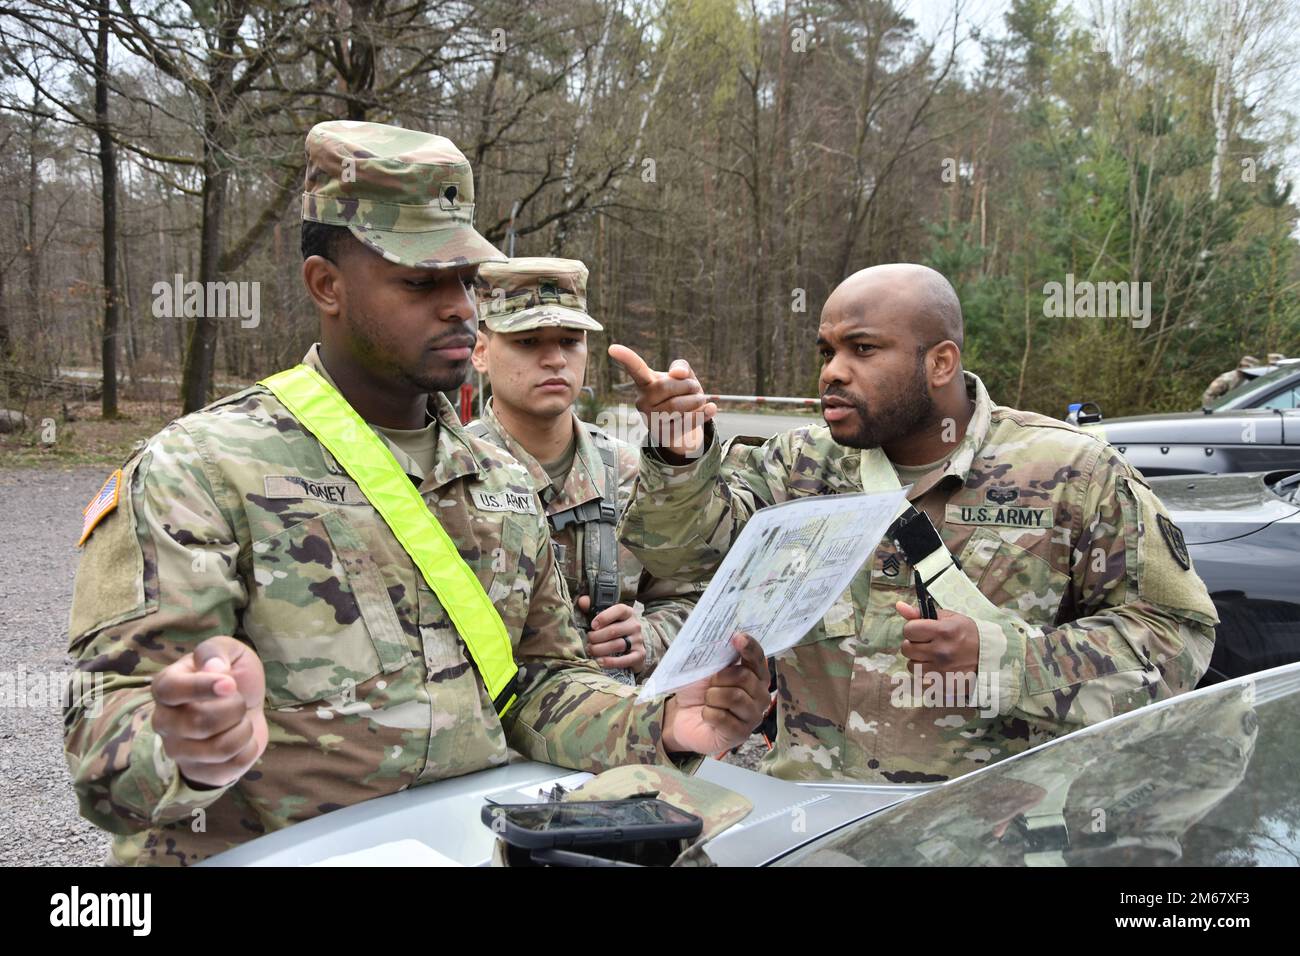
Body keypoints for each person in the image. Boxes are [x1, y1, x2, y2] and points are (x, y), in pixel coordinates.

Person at [62, 120, 768, 865]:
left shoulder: (496, 477)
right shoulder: (203, 468)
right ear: (326, 286)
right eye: (421, 283)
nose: (462, 308)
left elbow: (538, 685)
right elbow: (104, 738)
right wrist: (187, 748)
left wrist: (662, 723)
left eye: (466, 280)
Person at [615, 262, 1217, 783]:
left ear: (940, 362)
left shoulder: (1071, 472)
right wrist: (679, 455)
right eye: (827, 352)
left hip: (987, 830)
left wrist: (1003, 658)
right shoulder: (798, 464)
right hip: (814, 822)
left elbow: (1175, 641)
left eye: (863, 349)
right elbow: (686, 558)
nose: (832, 371)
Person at [467, 257, 700, 683]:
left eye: (571, 341)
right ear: (481, 351)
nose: (554, 359)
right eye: (527, 341)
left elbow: (691, 598)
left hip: (607, 731)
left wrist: (648, 637)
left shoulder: (629, 473)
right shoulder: (453, 474)